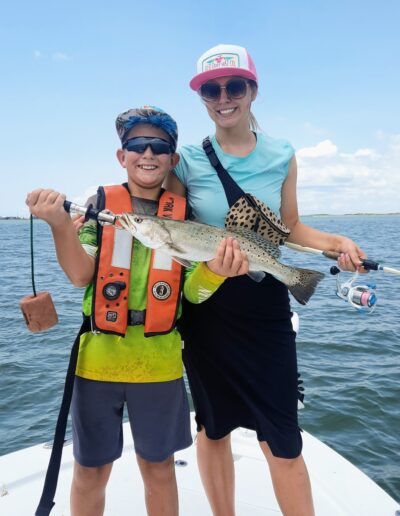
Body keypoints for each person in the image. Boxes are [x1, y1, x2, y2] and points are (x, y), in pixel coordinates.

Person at [165, 44, 368, 516]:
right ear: (202, 98)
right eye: (211, 90)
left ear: (253, 91)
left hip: (265, 309)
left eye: (234, 86)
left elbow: (290, 227)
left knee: (282, 437)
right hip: (207, 309)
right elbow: (172, 229)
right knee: (212, 427)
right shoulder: (187, 160)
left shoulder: (282, 155)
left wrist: (335, 242)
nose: (224, 98)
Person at [26, 106, 249, 516]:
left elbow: (193, 294)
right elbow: (80, 275)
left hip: (160, 363)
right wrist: (59, 225)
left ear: (172, 159)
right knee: (90, 471)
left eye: (159, 146)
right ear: (121, 155)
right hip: (97, 363)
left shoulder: (187, 216)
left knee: (160, 469)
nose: (148, 153)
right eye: (137, 144)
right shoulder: (98, 208)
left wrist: (217, 271)